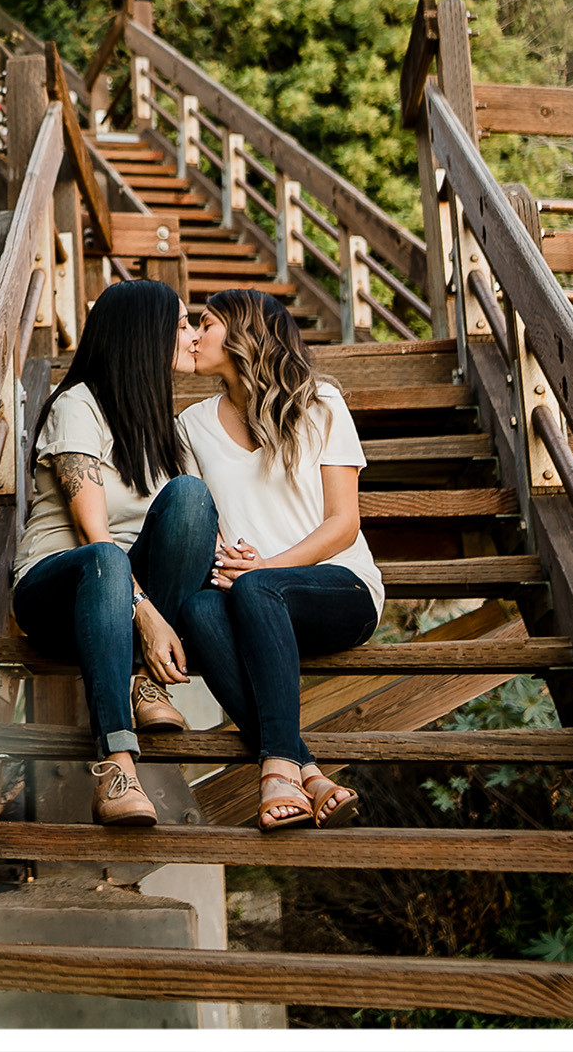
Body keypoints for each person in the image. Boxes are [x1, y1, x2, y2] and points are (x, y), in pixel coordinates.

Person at [159, 287, 380, 830]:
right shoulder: (191, 425)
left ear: (241, 334)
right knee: (197, 612)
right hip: (247, 596)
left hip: (339, 588)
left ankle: (278, 766)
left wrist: (269, 566)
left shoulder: (321, 401)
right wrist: (224, 554)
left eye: (204, 324)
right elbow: (198, 520)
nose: (192, 336)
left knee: (257, 589)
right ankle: (306, 769)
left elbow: (343, 523)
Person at [7, 279, 209, 827]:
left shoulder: (165, 428)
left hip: (127, 590)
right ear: (146, 335)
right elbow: (93, 530)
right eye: (183, 324)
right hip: (59, 585)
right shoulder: (78, 406)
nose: (193, 336)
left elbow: (185, 532)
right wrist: (146, 618)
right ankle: (117, 764)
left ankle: (144, 680)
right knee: (108, 558)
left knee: (190, 498)